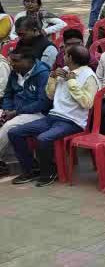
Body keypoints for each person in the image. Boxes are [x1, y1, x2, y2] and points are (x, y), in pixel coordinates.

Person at [8, 46, 98, 186]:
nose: (62, 57)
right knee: (14, 132)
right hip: (54, 116)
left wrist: (71, 82)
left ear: (71, 58)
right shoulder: (64, 71)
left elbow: (87, 103)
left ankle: (49, 172)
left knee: (43, 138)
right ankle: (32, 169)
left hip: (72, 121)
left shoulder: (89, 76)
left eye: (66, 55)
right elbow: (50, 95)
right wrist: (52, 78)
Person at [0, 49, 52, 176]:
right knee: (5, 120)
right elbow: (8, 94)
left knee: (8, 127)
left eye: (16, 61)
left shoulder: (43, 74)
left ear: (29, 61)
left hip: (38, 113)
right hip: (16, 111)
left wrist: (16, 112)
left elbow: (43, 103)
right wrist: (7, 109)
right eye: (11, 60)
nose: (12, 64)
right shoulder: (15, 72)